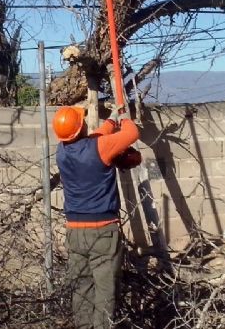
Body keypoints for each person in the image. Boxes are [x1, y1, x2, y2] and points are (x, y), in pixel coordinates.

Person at [53, 105, 140, 329]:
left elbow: (94, 139)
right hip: (102, 231)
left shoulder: (61, 151)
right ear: (81, 127)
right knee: (105, 290)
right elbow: (132, 133)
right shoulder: (100, 147)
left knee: (81, 288)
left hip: (74, 231)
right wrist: (123, 117)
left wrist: (110, 121)